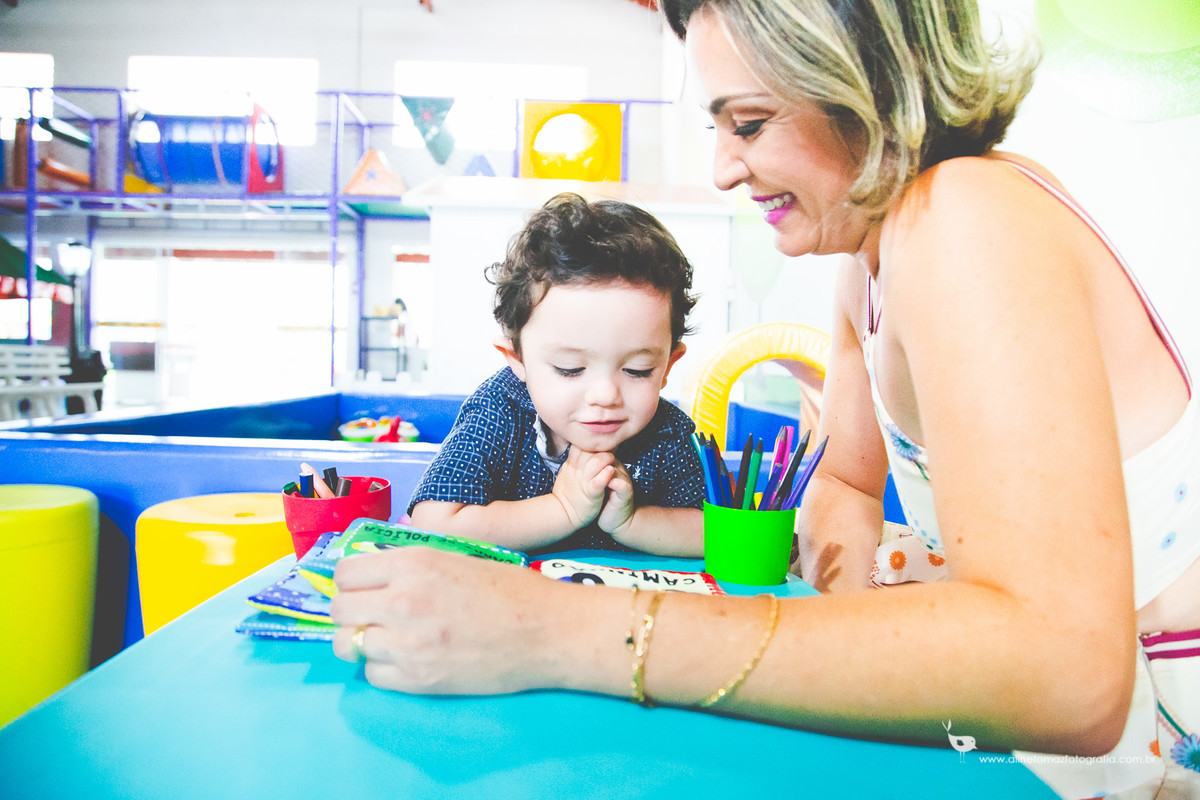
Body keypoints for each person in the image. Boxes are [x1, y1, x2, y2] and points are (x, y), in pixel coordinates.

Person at [331, 2, 1200, 796]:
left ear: (864, 89)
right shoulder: (875, 257)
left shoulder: (967, 216)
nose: (721, 169)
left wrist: (557, 630)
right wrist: (859, 641)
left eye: (747, 123)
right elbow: (848, 488)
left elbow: (1066, 674)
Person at [406, 191, 706, 556]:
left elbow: (713, 533)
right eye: (570, 369)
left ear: (668, 366)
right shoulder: (499, 411)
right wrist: (562, 509)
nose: (605, 394)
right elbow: (434, 523)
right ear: (516, 359)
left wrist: (632, 521)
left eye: (637, 370)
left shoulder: (666, 431)